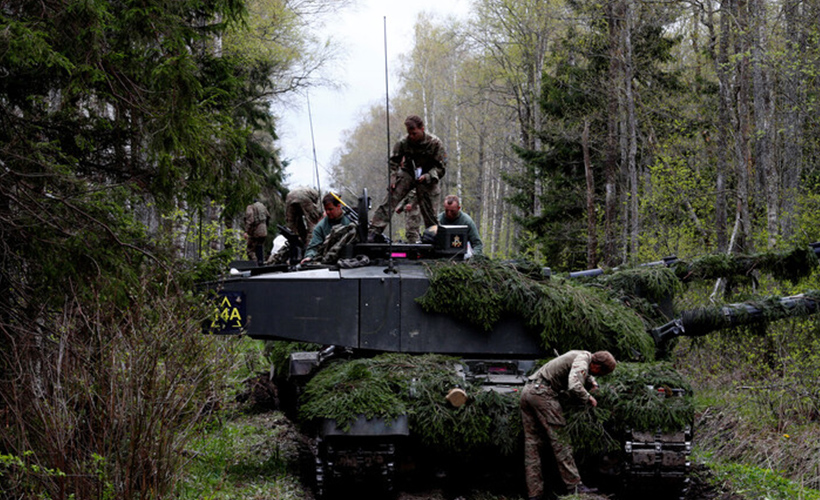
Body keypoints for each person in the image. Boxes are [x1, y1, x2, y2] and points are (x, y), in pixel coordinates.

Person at [519, 350, 617, 499]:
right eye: (600, 373)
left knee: (532, 445)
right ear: (596, 365)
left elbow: (582, 371)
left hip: (528, 392)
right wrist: (588, 397)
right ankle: (575, 487)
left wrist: (592, 382)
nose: (598, 375)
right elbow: (574, 384)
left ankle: (535, 494)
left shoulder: (582, 355)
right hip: (543, 395)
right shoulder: (583, 360)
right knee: (561, 442)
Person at [368, 115, 447, 240]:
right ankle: (374, 230)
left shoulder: (435, 143)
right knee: (391, 198)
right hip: (409, 172)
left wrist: (428, 176)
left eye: (414, 133)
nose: (412, 137)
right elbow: (393, 161)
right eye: (409, 133)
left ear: (422, 129)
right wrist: (393, 177)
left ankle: (433, 235)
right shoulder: (403, 143)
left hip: (428, 176)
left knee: (430, 210)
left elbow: (441, 168)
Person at [301, 192, 356, 265]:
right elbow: (313, 246)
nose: (327, 212)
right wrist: (309, 256)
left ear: (338, 206)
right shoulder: (321, 226)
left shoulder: (351, 220)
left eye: (330, 209)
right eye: (326, 210)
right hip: (328, 263)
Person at [244, 199, 269, 265]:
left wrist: (246, 231)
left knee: (250, 249)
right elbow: (268, 217)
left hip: (256, 231)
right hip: (264, 231)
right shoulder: (263, 207)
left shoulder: (251, 207)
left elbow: (250, 220)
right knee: (259, 246)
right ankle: (261, 262)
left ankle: (255, 263)